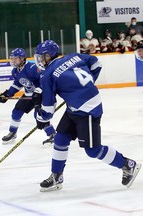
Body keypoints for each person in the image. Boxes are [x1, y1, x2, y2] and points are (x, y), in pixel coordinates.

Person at [33, 40, 141, 192]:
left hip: (87, 109)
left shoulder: (48, 75)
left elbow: (49, 110)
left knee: (93, 150)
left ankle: (128, 165)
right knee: (60, 139)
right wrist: (86, 85)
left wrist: (41, 118)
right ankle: (56, 176)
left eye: (41, 57)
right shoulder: (75, 56)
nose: (39, 60)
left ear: (49, 56)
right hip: (75, 107)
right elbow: (97, 63)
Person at [0, 48, 55, 145]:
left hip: (40, 95)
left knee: (39, 115)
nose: (13, 60)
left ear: (23, 59)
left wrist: (39, 92)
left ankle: (52, 134)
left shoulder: (32, 68)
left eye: (15, 58)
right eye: (12, 58)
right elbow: (17, 84)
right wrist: (6, 94)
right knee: (16, 112)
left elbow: (44, 79)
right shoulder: (15, 71)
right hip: (28, 95)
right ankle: (12, 132)